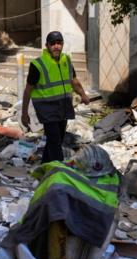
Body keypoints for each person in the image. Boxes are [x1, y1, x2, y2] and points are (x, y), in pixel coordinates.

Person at [21, 31, 90, 163]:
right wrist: (24, 113)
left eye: (59, 43)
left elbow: (73, 80)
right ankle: (60, 170)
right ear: (47, 45)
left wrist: (83, 94)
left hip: (63, 106)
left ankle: (45, 165)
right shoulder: (38, 65)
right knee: (55, 140)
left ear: (62, 44)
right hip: (47, 109)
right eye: (53, 43)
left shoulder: (66, 60)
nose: (56, 46)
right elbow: (28, 90)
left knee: (57, 139)